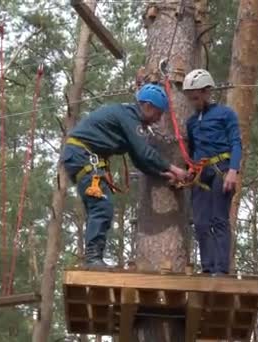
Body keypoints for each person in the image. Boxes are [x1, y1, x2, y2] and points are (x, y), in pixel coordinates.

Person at [61, 84, 188, 268]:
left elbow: (139, 159)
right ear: (147, 106)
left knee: (100, 206)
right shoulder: (129, 117)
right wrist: (175, 169)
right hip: (83, 156)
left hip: (82, 156)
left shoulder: (129, 119)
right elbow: (144, 152)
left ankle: (93, 257)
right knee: (101, 206)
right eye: (158, 113)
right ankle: (93, 259)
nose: (159, 119)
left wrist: (163, 173)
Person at [183, 69, 242, 275]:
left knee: (219, 219)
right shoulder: (191, 122)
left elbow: (236, 143)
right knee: (200, 222)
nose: (194, 101)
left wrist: (233, 170)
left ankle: (221, 270)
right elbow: (191, 151)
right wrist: (189, 169)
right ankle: (207, 268)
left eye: (197, 97)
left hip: (222, 170)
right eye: (191, 98)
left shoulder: (226, 114)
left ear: (208, 91)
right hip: (201, 173)